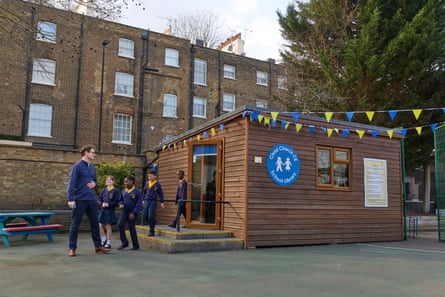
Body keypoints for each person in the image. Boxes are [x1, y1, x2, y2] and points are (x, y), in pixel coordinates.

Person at [67, 144, 110, 257]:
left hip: (91, 199)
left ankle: (98, 246)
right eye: (92, 152)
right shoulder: (77, 167)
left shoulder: (91, 167)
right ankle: (72, 248)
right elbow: (71, 184)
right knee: (75, 224)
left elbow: (95, 181)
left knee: (95, 223)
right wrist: (71, 199)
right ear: (86, 153)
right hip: (79, 199)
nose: (94, 154)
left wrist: (94, 184)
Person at [117, 175, 142, 250]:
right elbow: (120, 200)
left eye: (126, 181)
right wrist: (120, 204)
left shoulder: (137, 191)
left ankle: (136, 245)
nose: (125, 183)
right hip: (124, 211)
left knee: (131, 228)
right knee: (120, 225)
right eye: (124, 182)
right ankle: (124, 242)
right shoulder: (123, 191)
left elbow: (139, 204)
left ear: (132, 182)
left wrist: (134, 213)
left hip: (132, 212)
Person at [97, 175, 120, 248]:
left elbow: (117, 202)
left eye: (110, 180)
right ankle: (103, 239)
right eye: (107, 180)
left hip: (110, 210)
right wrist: (101, 203)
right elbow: (99, 199)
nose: (109, 181)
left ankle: (108, 242)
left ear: (113, 182)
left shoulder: (115, 191)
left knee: (108, 225)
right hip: (103, 210)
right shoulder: (104, 190)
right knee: (99, 224)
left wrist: (109, 204)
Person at [142, 170, 165, 236]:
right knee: (145, 216)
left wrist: (162, 202)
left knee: (150, 216)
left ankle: (151, 231)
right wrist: (143, 200)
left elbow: (161, 194)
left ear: (155, 176)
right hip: (146, 201)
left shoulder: (157, 184)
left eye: (151, 176)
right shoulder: (147, 183)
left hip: (153, 201)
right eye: (148, 176)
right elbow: (144, 192)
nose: (149, 177)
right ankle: (153, 221)